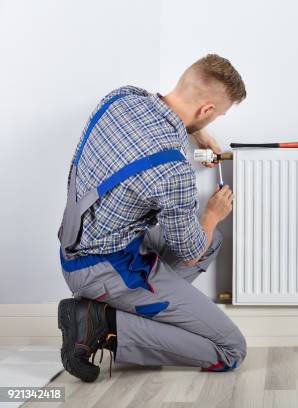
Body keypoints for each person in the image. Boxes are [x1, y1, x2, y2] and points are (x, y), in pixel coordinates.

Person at [56, 54, 247, 382]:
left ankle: (122, 313)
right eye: (216, 116)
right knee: (231, 349)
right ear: (206, 111)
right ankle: (102, 323)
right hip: (106, 268)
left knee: (210, 241)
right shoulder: (173, 172)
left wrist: (197, 133)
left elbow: (164, 114)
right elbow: (189, 252)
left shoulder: (120, 98)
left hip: (75, 245)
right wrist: (213, 214)